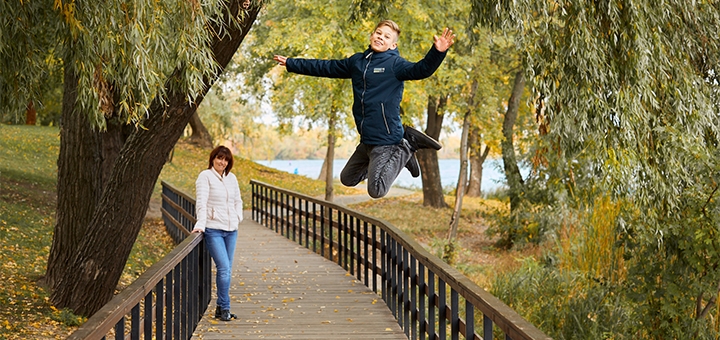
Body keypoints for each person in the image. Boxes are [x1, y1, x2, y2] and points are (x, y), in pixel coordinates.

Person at [273, 19, 455, 198]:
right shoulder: (357, 63)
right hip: (367, 139)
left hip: (387, 138)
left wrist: (437, 52)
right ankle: (401, 156)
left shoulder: (395, 65)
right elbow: (325, 67)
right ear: (371, 35)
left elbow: (421, 70)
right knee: (347, 178)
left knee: (377, 190)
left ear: (393, 45)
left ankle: (406, 147)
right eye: (378, 33)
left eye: (386, 36)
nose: (381, 37)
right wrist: (291, 63)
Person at [191, 145, 243, 321]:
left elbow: (238, 200)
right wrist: (201, 223)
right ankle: (225, 307)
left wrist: (238, 217)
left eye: (226, 159)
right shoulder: (205, 177)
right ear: (213, 158)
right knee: (224, 268)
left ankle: (221, 308)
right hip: (214, 230)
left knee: (227, 270)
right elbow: (201, 202)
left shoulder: (231, 178)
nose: (222, 162)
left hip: (231, 231)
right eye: (219, 158)